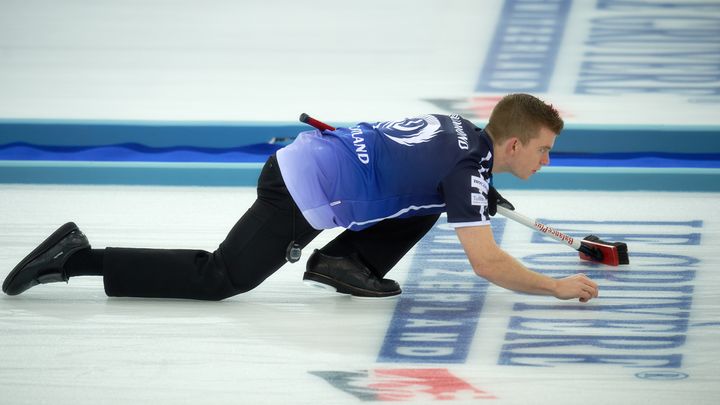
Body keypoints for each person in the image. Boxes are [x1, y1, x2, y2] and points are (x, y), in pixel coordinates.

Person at [2, 93, 599, 303]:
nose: (547, 160)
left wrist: (472, 191)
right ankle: (75, 258)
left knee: (436, 198)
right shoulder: (468, 169)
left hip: (309, 162)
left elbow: (422, 170)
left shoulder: (460, 134)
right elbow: (485, 262)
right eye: (544, 149)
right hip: (297, 191)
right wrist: (554, 287)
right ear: (514, 142)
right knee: (220, 279)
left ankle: (348, 260)